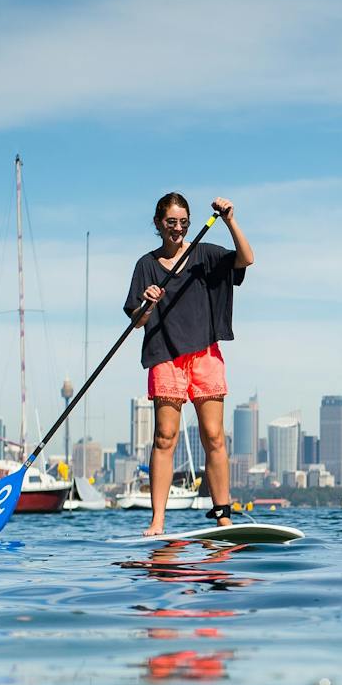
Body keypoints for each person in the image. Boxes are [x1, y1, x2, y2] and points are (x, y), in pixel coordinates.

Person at [125, 193, 255, 537]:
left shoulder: (205, 254)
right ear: (158, 224)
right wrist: (147, 304)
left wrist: (230, 220)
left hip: (204, 354)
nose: (178, 229)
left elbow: (247, 259)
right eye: (171, 222)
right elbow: (137, 321)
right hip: (165, 355)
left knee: (214, 435)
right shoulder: (146, 266)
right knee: (165, 438)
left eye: (183, 222)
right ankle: (157, 521)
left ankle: (223, 515)